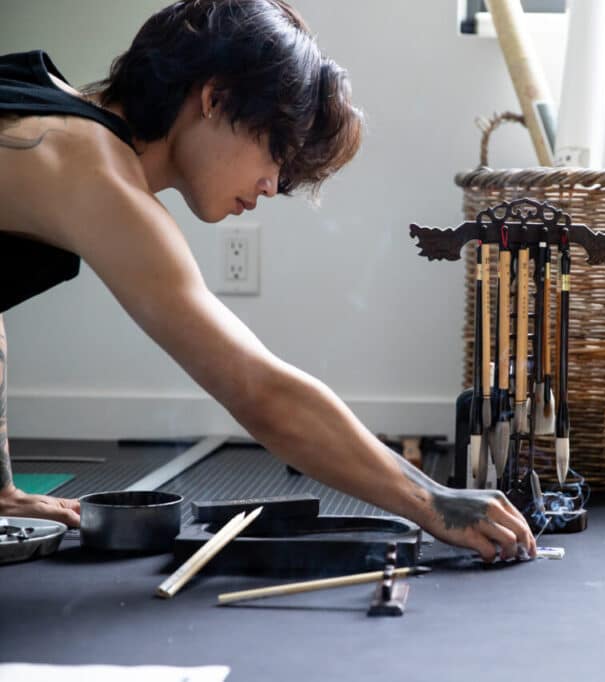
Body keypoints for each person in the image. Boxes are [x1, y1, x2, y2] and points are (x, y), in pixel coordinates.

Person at [0, 0, 535, 562]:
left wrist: (4, 490)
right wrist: (432, 500)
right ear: (215, 98)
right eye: (275, 151)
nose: (273, 185)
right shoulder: (96, 173)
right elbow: (260, 393)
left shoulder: (44, 106)